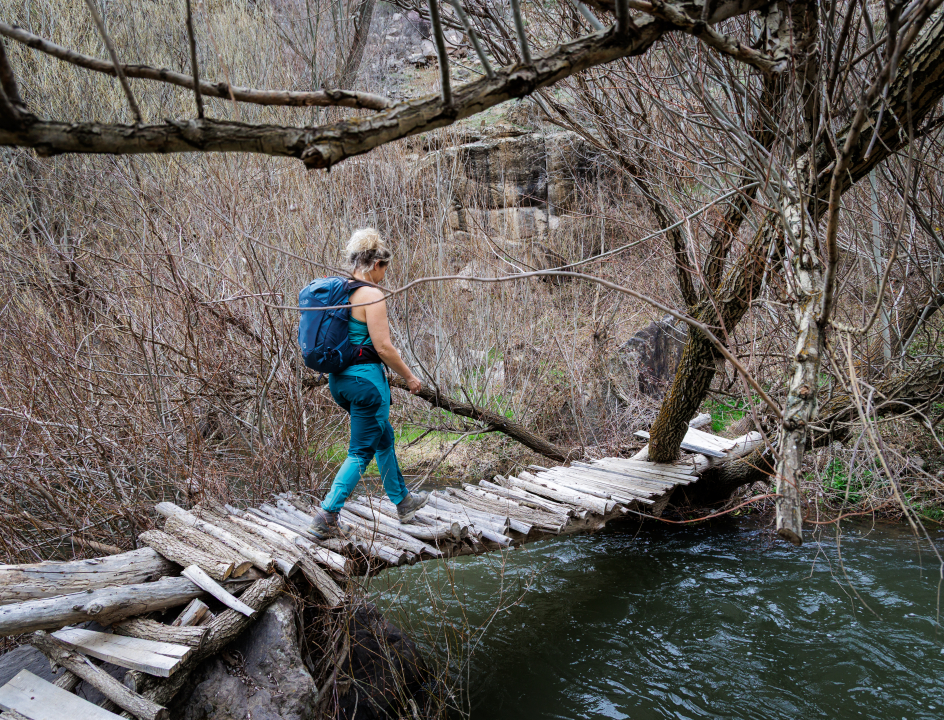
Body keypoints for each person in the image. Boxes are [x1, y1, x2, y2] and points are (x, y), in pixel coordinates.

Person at [310, 228, 429, 539]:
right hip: (367, 385)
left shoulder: (339, 292)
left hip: (340, 381)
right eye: (385, 269)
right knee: (361, 451)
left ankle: (403, 502)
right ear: (376, 264)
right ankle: (327, 515)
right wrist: (410, 376)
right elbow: (384, 348)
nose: (385, 276)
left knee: (383, 436)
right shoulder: (372, 295)